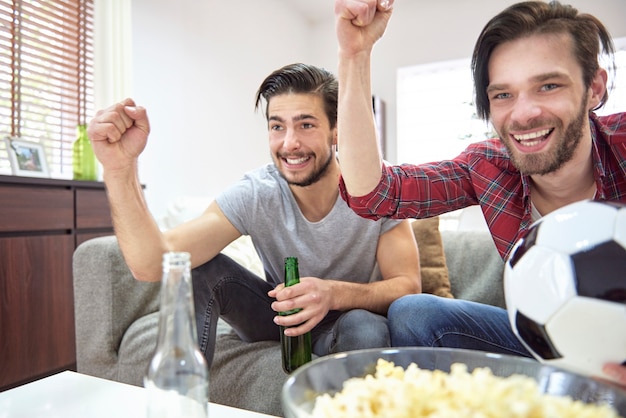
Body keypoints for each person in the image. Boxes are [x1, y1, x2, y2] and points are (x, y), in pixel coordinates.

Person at [334, 0, 626, 386]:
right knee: (415, 313)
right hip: (545, 347)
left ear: (593, 88)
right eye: (503, 95)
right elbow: (373, 194)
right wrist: (355, 53)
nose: (523, 115)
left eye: (548, 85)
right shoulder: (487, 166)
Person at [86, 63, 421, 368]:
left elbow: (407, 285)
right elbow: (151, 263)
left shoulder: (376, 187)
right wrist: (119, 168)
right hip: (278, 318)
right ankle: (183, 397)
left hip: (350, 320)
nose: (290, 143)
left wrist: (333, 293)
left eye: (306, 124)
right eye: (278, 126)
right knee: (200, 267)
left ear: (336, 131)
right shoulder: (257, 192)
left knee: (366, 327)